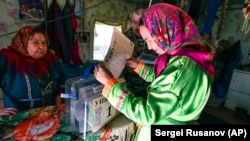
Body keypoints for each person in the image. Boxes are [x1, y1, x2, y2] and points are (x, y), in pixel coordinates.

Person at [94, 3, 215, 141]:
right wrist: (139, 67)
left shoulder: (180, 67)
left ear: (164, 31)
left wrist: (111, 84)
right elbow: (165, 81)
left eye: (149, 40)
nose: (149, 47)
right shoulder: (191, 55)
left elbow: (147, 114)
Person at [0, 25, 66, 113]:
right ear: (23, 42)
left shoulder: (52, 59)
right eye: (36, 43)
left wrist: (59, 95)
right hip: (18, 116)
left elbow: (63, 78)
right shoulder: (7, 60)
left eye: (44, 43)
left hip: (49, 113)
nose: (41, 47)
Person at [123, 7, 156, 98]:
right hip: (132, 86)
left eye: (141, 22)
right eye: (134, 22)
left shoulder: (155, 36)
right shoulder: (124, 38)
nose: (137, 26)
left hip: (152, 84)